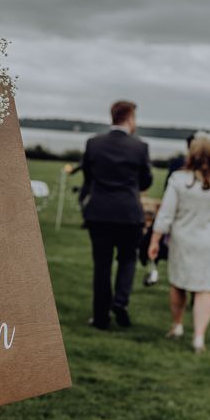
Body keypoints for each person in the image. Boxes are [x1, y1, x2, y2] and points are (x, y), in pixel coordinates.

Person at [81, 101, 153, 329]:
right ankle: (120, 302)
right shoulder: (140, 147)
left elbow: (88, 177)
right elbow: (145, 181)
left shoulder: (93, 143)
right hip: (128, 214)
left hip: (99, 213)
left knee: (101, 265)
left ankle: (101, 317)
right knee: (128, 259)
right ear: (130, 117)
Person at [148, 133, 210, 353]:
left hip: (182, 239)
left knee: (178, 283)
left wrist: (155, 239)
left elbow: (166, 214)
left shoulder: (179, 180)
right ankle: (198, 337)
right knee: (205, 287)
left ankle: (178, 325)